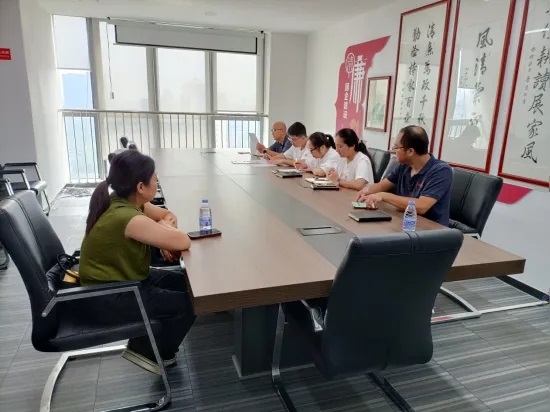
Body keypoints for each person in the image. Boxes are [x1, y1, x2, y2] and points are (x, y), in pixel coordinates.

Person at [79, 150, 196, 375]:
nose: (157, 182)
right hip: (109, 295)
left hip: (126, 279)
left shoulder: (126, 202)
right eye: (154, 179)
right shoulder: (129, 218)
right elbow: (183, 240)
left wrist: (161, 234)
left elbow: (167, 214)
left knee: (188, 283)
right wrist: (164, 235)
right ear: (141, 186)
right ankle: (149, 351)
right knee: (190, 303)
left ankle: (150, 343)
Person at [356, 125, 453, 226]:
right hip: (403, 222)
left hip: (430, 229)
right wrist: (367, 191)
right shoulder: (404, 165)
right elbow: (383, 185)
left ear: (410, 151)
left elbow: (421, 206)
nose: (393, 150)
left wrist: (383, 196)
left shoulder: (441, 170)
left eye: (396, 147)